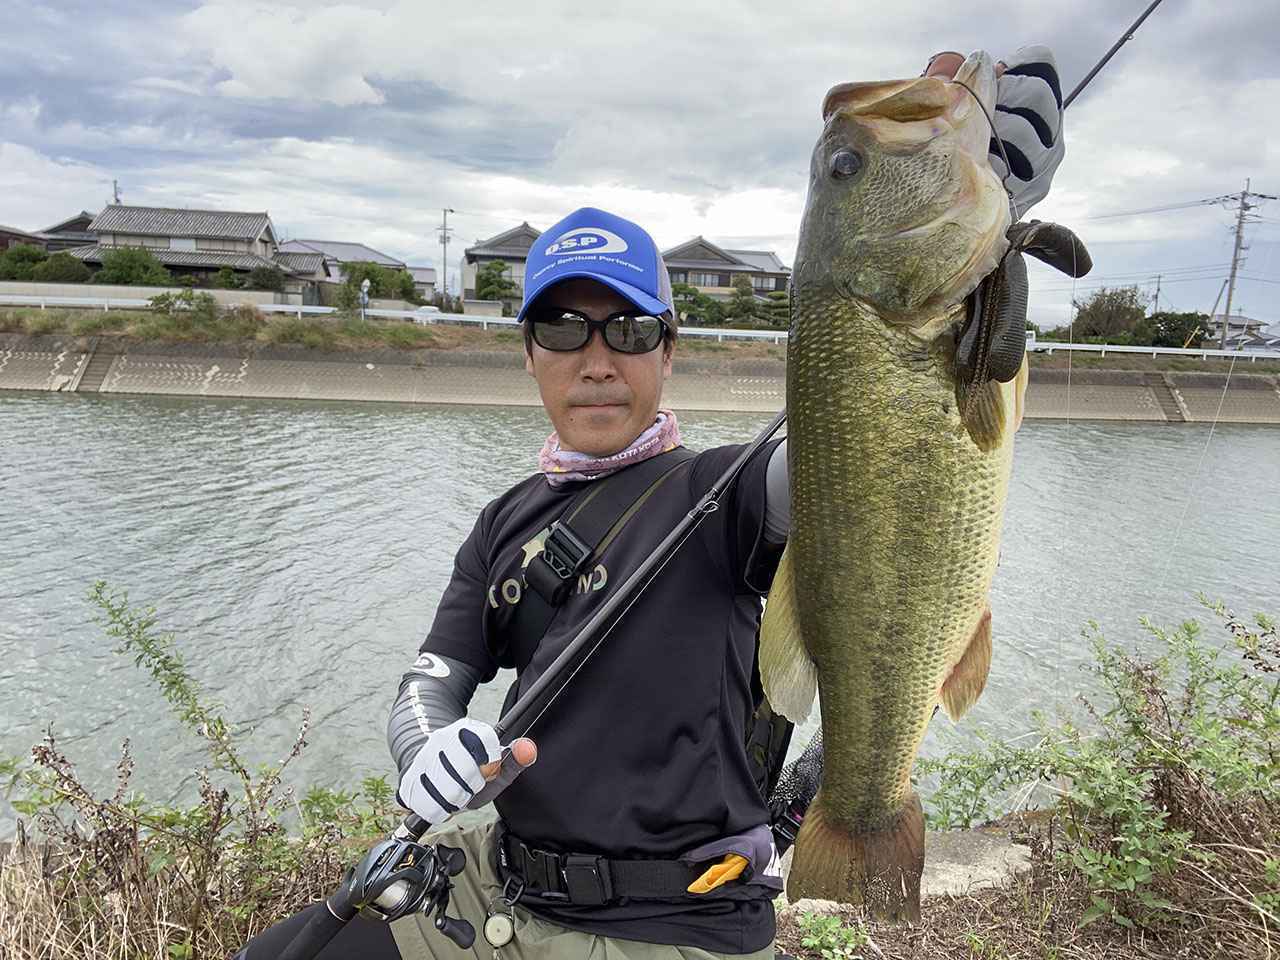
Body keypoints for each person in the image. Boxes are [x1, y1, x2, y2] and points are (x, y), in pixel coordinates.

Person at [235, 46, 1065, 960]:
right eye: (562, 327)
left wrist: (988, 229)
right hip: (495, 879)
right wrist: (426, 751)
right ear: (528, 353)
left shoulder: (732, 493)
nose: (597, 358)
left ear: (668, 352)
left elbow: (844, 462)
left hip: (680, 922)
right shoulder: (502, 522)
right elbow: (435, 677)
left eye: (629, 328)